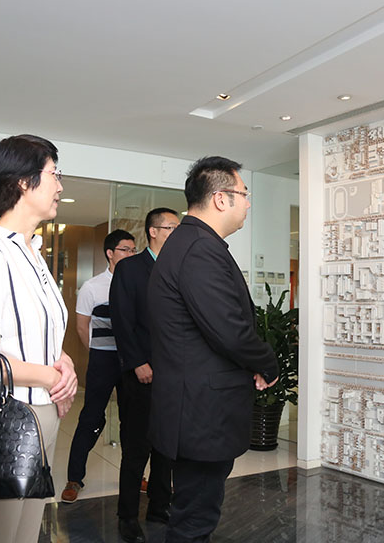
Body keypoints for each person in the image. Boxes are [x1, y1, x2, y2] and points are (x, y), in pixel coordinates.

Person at [0, 134, 77, 543]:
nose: (60, 185)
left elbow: (37, 332)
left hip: (41, 413)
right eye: (54, 174)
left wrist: (63, 363)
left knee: (24, 533)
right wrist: (49, 377)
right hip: (4, 418)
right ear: (24, 182)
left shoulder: (32, 253)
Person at [148, 156, 279, 543]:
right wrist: (267, 363)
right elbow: (229, 330)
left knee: (194, 514)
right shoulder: (199, 249)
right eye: (244, 194)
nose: (248, 203)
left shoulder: (191, 244)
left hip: (194, 407)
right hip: (201, 412)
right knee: (194, 521)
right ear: (221, 199)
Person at [111, 208, 179, 542]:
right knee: (137, 447)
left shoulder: (178, 267)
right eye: (171, 228)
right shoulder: (130, 268)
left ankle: (159, 505)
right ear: (153, 231)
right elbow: (121, 319)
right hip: (141, 372)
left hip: (173, 374)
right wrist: (137, 362)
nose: (176, 233)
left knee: (167, 446)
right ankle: (127, 515)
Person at [61, 229, 137, 503]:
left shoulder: (138, 283)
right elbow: (82, 328)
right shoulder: (92, 287)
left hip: (132, 362)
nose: (131, 254)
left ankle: (134, 475)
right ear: (110, 253)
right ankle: (74, 478)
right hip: (103, 360)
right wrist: (98, 352)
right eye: (125, 250)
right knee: (91, 417)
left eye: (133, 250)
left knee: (132, 420)